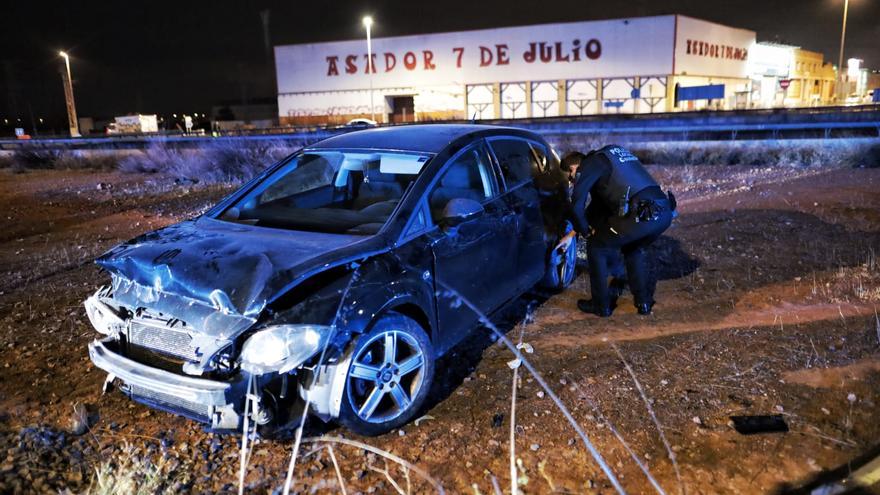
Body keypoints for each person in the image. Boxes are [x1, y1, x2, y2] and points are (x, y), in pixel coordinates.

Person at [563, 146, 675, 317]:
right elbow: (597, 209)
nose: (572, 182)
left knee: (596, 247)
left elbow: (576, 205)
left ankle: (601, 306)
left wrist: (584, 232)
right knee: (633, 248)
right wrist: (571, 235)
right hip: (663, 212)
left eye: (570, 177)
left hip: (641, 214)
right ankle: (643, 302)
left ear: (574, 167)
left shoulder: (589, 165)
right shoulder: (611, 157)